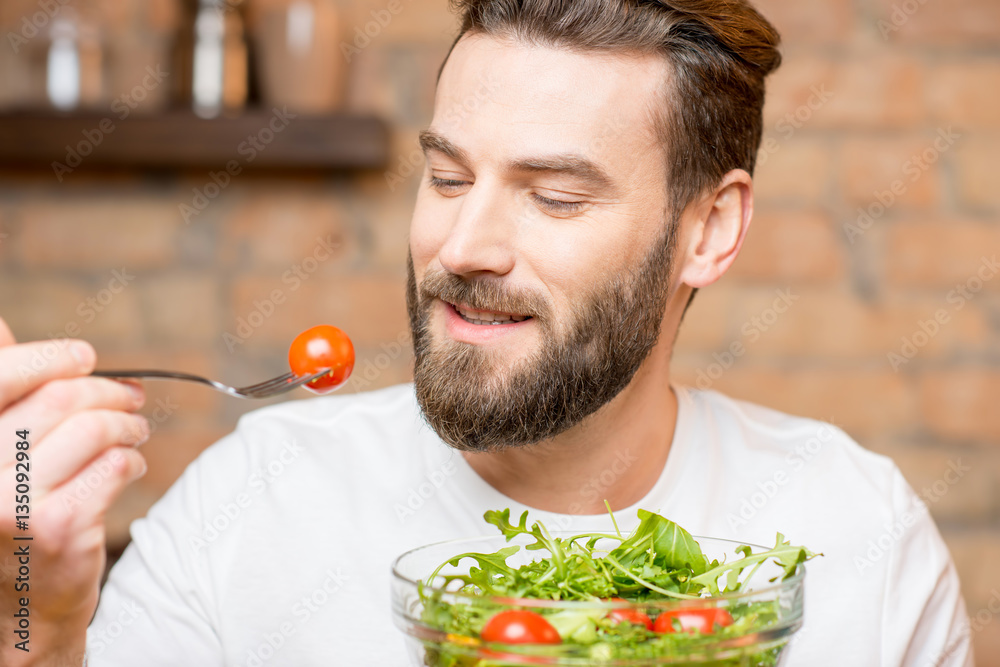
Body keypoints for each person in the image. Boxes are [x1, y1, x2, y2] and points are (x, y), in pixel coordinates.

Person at [0, 0, 973, 665]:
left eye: (553, 196)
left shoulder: (858, 537)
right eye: (450, 177)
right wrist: (30, 623)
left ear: (707, 230)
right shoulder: (247, 502)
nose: (460, 247)